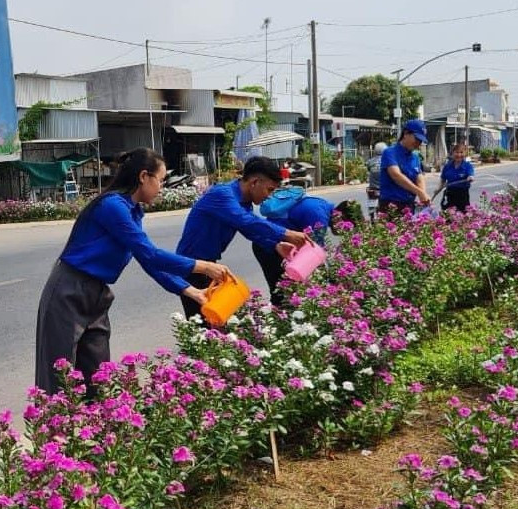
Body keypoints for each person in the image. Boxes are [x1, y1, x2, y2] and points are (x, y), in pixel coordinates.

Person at [35, 148, 231, 396]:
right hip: (68, 290)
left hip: (97, 294)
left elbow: (149, 261)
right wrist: (202, 266)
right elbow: (150, 253)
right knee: (57, 377)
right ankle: (53, 431)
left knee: (98, 377)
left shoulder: (133, 211)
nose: (161, 188)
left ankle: (96, 430)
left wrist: (193, 292)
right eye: (160, 180)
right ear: (143, 177)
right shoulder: (112, 206)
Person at [175, 155, 310, 319]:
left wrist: (276, 245)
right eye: (269, 189)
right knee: (202, 325)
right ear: (254, 182)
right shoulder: (222, 194)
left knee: (217, 321)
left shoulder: (244, 202)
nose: (269, 196)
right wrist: (287, 234)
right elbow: (247, 222)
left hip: (208, 266)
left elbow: (250, 230)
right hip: (192, 266)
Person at [253, 194, 365, 305]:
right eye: (346, 227)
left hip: (277, 243)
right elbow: (315, 254)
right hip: (268, 245)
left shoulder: (322, 206)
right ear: (340, 216)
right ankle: (278, 316)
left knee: (288, 288)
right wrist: (334, 281)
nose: (343, 232)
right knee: (281, 289)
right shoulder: (319, 216)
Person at [378, 119, 431, 215]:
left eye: (420, 141)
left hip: (409, 206)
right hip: (391, 206)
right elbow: (396, 175)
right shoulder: (390, 152)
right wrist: (419, 192)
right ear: (406, 133)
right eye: (417, 139)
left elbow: (419, 178)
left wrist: (423, 195)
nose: (418, 143)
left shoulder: (415, 157)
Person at [437, 142, 475, 212]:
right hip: (450, 193)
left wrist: (470, 177)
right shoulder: (447, 166)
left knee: (463, 216)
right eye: (457, 152)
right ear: (453, 153)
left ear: (465, 154)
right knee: (447, 214)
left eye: (461, 152)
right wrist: (438, 188)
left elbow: (471, 175)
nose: (459, 155)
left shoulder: (467, 166)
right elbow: (443, 179)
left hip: (462, 195)